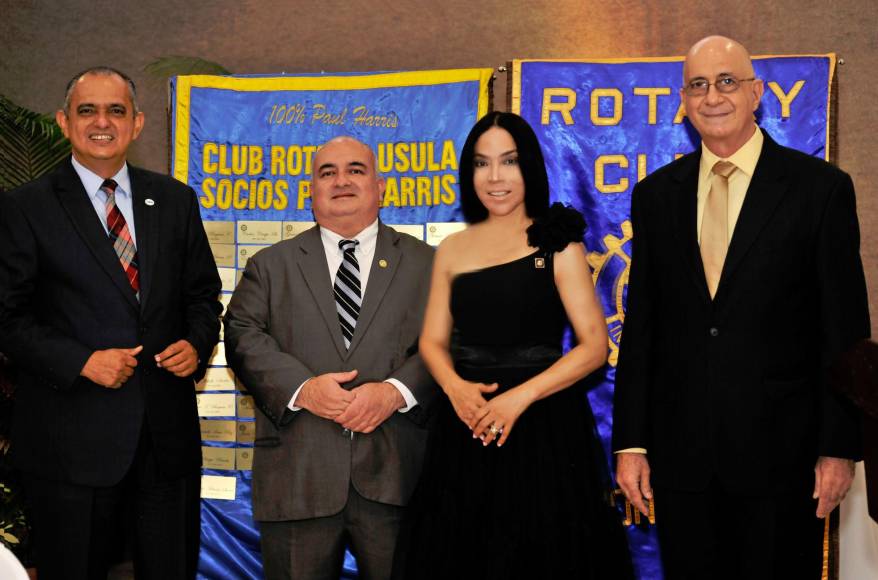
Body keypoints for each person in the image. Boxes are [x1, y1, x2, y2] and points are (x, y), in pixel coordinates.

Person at [613, 35, 870, 580]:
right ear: (683, 100)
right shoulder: (656, 196)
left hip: (786, 460)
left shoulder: (819, 190)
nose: (713, 96)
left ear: (756, 93)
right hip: (683, 463)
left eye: (727, 81)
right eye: (699, 85)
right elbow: (643, 330)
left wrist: (839, 447)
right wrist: (631, 443)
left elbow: (845, 331)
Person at [0, 67, 223, 580]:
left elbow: (203, 295)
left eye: (116, 110)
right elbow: (7, 317)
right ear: (64, 121)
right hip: (68, 444)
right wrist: (82, 362)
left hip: (164, 443)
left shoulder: (174, 200)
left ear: (138, 123)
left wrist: (196, 341)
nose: (103, 122)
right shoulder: (24, 207)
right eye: (88, 110)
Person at [393, 111, 633, 579]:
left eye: (509, 161)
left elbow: (593, 347)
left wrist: (518, 399)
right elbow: (432, 340)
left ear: (530, 169)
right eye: (482, 163)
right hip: (467, 428)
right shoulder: (454, 249)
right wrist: (458, 391)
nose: (495, 176)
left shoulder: (558, 243)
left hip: (543, 430)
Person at [223, 136, 436, 580]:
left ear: (381, 187)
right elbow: (242, 336)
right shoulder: (269, 265)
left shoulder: (429, 264)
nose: (342, 181)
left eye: (356, 170)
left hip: (399, 476)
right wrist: (304, 389)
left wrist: (395, 393)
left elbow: (452, 341)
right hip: (298, 478)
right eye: (327, 173)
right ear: (311, 192)